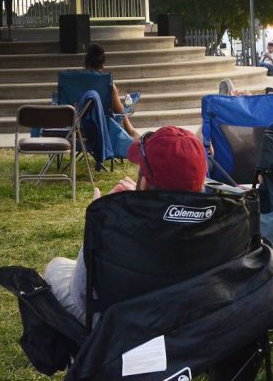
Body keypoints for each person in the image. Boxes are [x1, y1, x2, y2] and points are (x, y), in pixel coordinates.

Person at [44, 127, 207, 326]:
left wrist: (96, 224)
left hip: (127, 329)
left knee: (56, 267)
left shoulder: (122, 229)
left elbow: (82, 297)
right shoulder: (222, 224)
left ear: (145, 183)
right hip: (193, 323)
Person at [82, 43, 138, 140]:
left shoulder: (75, 81)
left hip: (79, 126)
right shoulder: (107, 84)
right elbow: (119, 110)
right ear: (102, 63)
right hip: (103, 127)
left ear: (86, 61)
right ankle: (131, 132)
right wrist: (115, 93)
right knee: (121, 110)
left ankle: (132, 131)